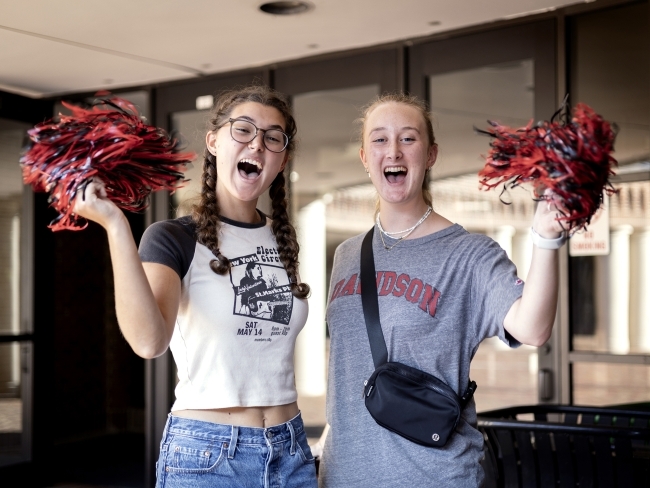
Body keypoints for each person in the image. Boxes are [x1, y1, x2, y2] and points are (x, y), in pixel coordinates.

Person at [72, 85, 318, 488]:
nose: (257, 144)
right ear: (214, 142)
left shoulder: (284, 239)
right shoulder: (173, 237)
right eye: (243, 130)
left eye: (272, 137)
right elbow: (149, 342)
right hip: (210, 454)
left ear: (282, 159)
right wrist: (116, 225)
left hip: (291, 450)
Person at [316, 93, 564, 487]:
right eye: (379, 140)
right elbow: (348, 373)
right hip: (344, 475)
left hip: (434, 476)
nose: (393, 150)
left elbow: (532, 328)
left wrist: (545, 239)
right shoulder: (347, 255)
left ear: (430, 155)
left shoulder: (469, 254)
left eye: (408, 139)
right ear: (365, 157)